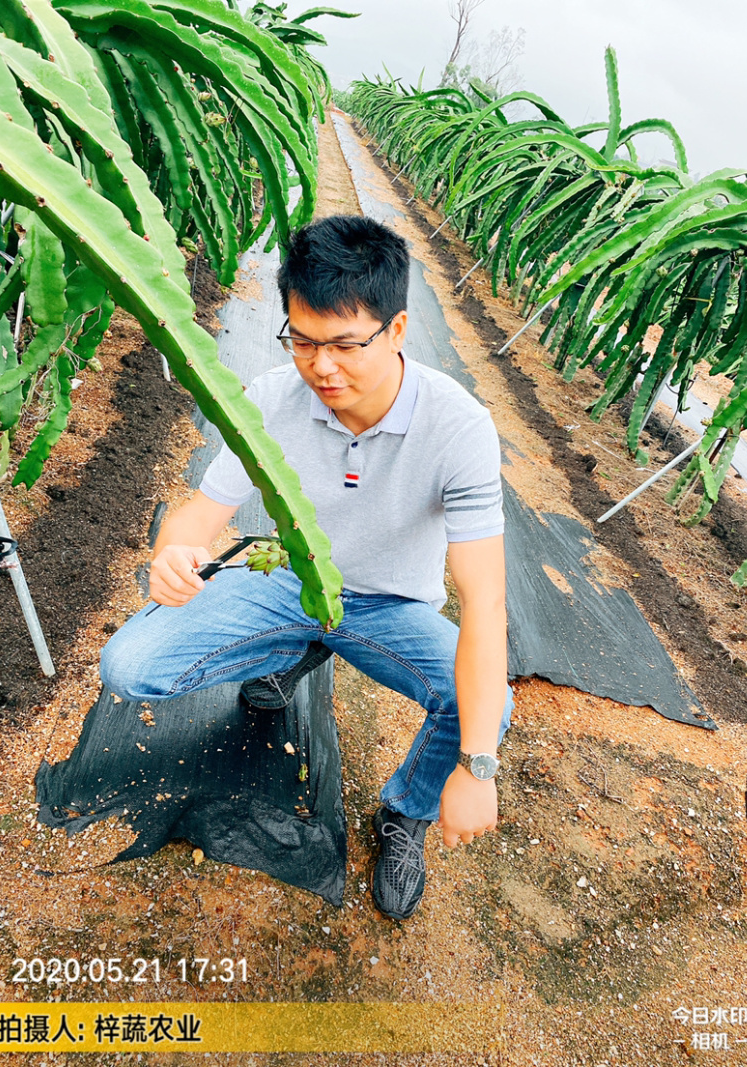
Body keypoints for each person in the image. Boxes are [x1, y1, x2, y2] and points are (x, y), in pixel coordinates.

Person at [100, 215, 513, 920]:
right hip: (283, 576)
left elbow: (484, 602)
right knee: (130, 664)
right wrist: (171, 551)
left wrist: (475, 767)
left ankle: (403, 811)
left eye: (347, 345)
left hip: (388, 603)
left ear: (400, 329)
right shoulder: (271, 399)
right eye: (303, 341)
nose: (322, 367)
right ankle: (292, 646)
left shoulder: (460, 429)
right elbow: (200, 511)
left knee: (487, 706)